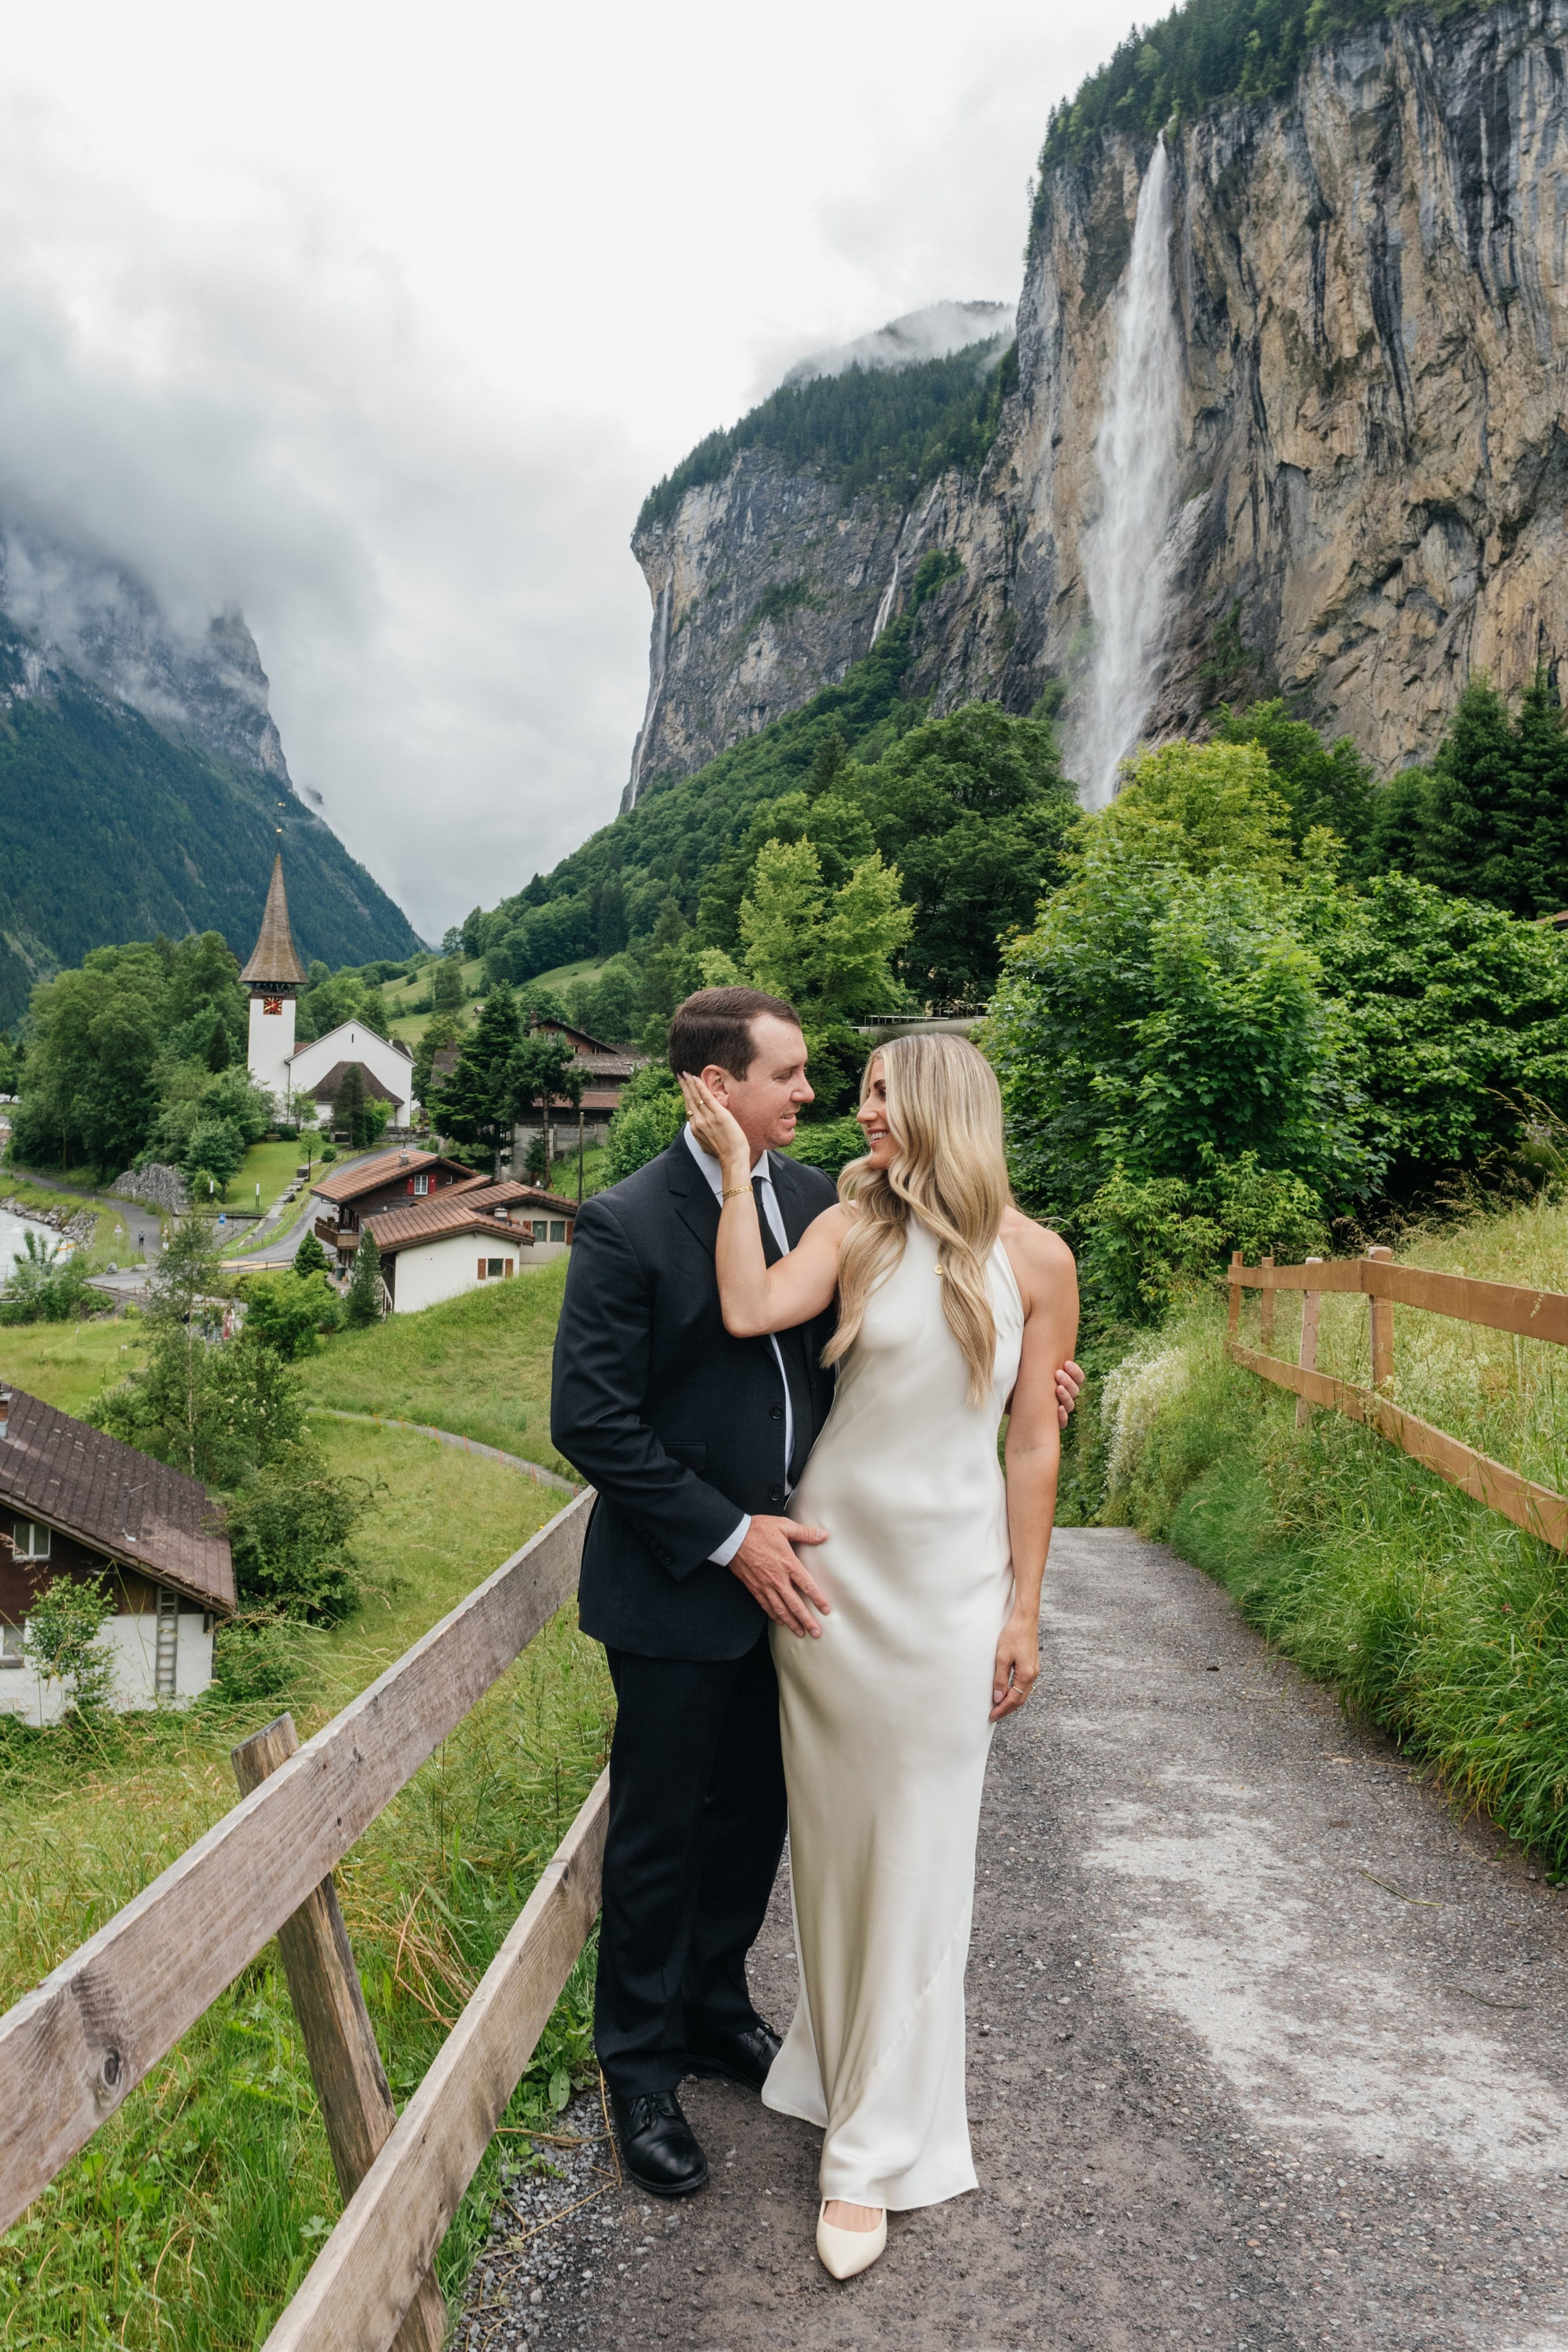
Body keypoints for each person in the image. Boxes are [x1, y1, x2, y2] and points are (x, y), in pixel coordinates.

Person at [551, 990, 1082, 2206]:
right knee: (657, 1831)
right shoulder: (627, 1222)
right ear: (712, 1086)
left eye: (821, 1081)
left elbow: (921, 1346)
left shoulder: (831, 1206)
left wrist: (1022, 1386)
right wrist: (727, 1535)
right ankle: (637, 2067)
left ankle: (711, 2007)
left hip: (822, 1580)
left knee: (754, 1819)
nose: (811, 1095)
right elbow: (589, 1422)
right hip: (688, 1578)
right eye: (787, 1076)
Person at [679, 1032, 1079, 2280]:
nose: (857, 1117)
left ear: (941, 1109)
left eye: (876, 1098)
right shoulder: (851, 1225)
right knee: (841, 1856)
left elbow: (1029, 1444)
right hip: (835, 1593)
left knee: (921, 1859)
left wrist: (1024, 1608)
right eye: (852, 1096)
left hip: (952, 1598)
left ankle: (870, 2151)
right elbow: (747, 1310)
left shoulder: (1037, 1258)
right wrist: (737, 1169)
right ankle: (839, 2075)